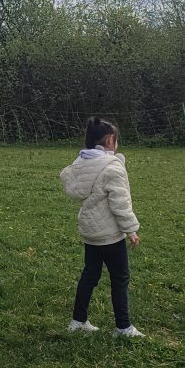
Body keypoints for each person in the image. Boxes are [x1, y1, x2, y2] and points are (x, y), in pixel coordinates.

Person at [60, 117, 144, 338]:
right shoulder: (112, 167)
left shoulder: (81, 163)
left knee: (90, 274)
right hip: (109, 234)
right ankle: (123, 327)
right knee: (120, 278)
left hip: (90, 231)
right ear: (109, 140)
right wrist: (131, 230)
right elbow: (120, 203)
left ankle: (78, 321)